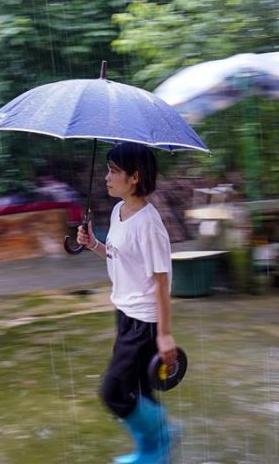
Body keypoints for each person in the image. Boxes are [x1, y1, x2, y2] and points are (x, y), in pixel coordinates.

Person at [77, 142, 180, 464]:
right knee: (139, 388)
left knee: (114, 393)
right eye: (107, 168)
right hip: (124, 313)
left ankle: (161, 438)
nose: (107, 177)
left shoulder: (149, 224)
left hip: (145, 321)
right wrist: (94, 244)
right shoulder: (119, 211)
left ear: (134, 177)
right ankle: (154, 451)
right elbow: (119, 256)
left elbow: (161, 281)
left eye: (114, 171)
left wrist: (164, 334)